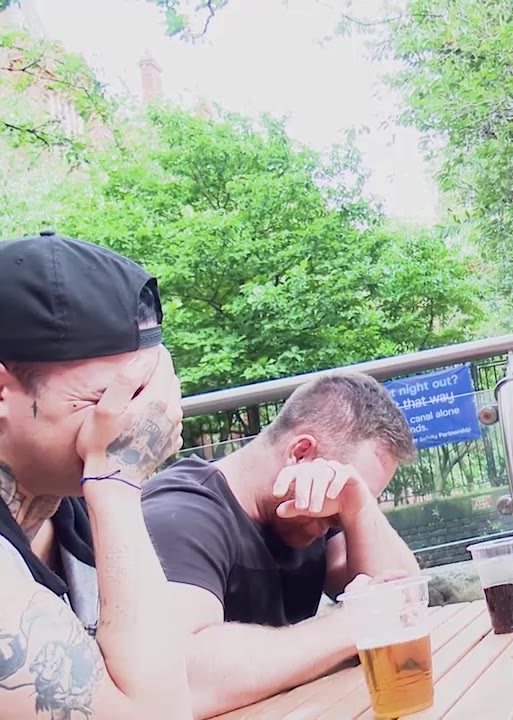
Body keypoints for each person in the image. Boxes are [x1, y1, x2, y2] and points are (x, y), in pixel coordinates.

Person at [141, 370, 423, 718]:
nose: (336, 520)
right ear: (301, 453)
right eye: (340, 512)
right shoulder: (181, 516)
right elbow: (180, 679)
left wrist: (360, 508)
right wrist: (351, 625)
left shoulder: (318, 503)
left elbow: (403, 603)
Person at [0, 232, 192, 718]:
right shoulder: (106, 492)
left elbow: (177, 678)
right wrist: (117, 486)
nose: (134, 422)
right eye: (104, 399)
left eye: (146, 393)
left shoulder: (73, 518)